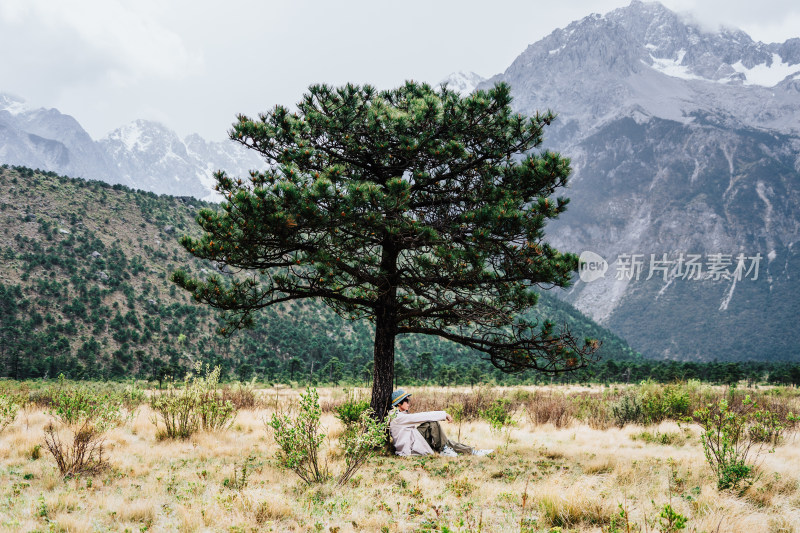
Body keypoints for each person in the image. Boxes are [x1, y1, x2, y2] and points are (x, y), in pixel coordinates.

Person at [388, 389, 493, 457]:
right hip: (410, 448)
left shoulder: (399, 414)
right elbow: (420, 417)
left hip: (413, 441)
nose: (409, 402)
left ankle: (470, 451)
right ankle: (450, 450)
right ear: (399, 403)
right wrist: (444, 415)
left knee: (444, 440)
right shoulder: (397, 417)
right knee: (433, 424)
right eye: (406, 400)